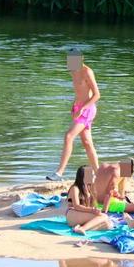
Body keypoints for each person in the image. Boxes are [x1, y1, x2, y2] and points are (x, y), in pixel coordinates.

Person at [47, 49, 101, 181]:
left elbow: (97, 95)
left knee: (68, 136)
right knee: (87, 143)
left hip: (87, 110)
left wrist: (82, 109)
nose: (71, 63)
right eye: (69, 60)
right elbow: (79, 91)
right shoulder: (73, 71)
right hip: (79, 108)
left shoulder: (87, 72)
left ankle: (59, 173)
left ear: (81, 59)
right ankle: (98, 173)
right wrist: (74, 105)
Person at [64, 165, 111, 235]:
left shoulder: (89, 188)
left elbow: (93, 207)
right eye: (92, 174)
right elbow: (76, 206)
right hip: (72, 214)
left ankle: (79, 228)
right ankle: (82, 228)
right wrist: (92, 210)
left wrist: (108, 196)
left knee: (108, 225)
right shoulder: (75, 188)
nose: (94, 176)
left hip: (82, 215)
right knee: (104, 217)